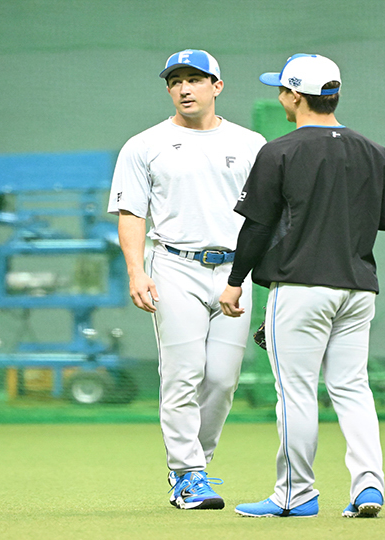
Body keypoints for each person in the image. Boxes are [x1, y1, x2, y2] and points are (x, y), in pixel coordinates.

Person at [219, 54, 385, 518]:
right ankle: (369, 488)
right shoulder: (374, 150)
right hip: (358, 289)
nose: (279, 96)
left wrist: (235, 281)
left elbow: (256, 228)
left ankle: (294, 495)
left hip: (300, 288)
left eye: (281, 89)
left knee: (296, 392)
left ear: (295, 95)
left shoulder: (279, 151)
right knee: (352, 388)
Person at [108, 49, 266, 510]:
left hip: (235, 272)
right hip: (174, 265)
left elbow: (268, 217)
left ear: (217, 86)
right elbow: (131, 212)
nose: (184, 88)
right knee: (183, 374)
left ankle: (199, 465)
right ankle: (188, 474)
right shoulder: (144, 144)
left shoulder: (252, 143)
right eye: (175, 80)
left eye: (195, 79)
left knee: (221, 379)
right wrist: (137, 271)